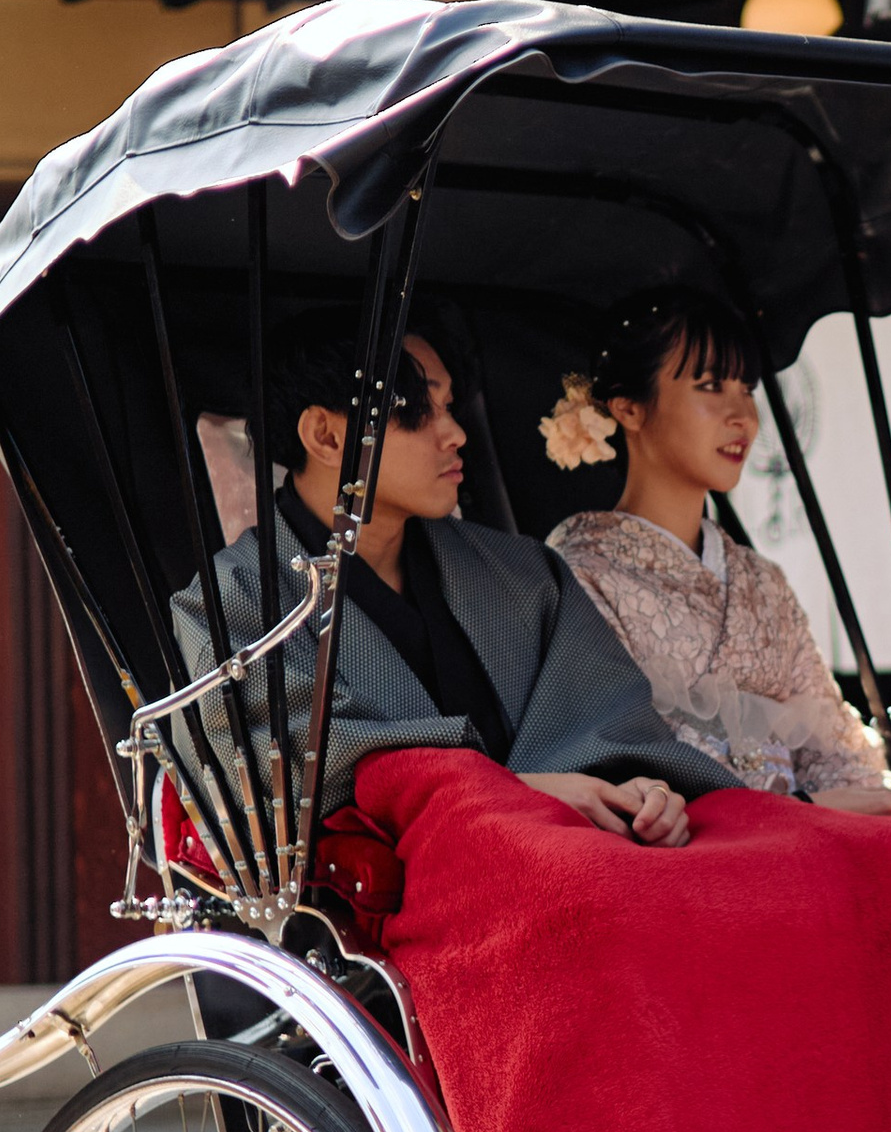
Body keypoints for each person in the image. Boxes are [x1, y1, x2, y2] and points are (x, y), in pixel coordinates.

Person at [176, 323, 741, 841]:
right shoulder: (233, 606)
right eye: (416, 410)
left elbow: (616, 728)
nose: (453, 434)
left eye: (448, 405)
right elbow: (302, 788)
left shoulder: (523, 574)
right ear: (325, 436)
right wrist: (516, 797)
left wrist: (647, 793)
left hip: (587, 852)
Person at [543, 284, 891, 818]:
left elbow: (838, 749)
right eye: (711, 385)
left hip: (809, 840)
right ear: (629, 408)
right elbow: (619, 765)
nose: (744, 416)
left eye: (746, 388)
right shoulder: (580, 570)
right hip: (684, 860)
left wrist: (869, 801)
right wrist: (810, 807)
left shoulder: (761, 582)